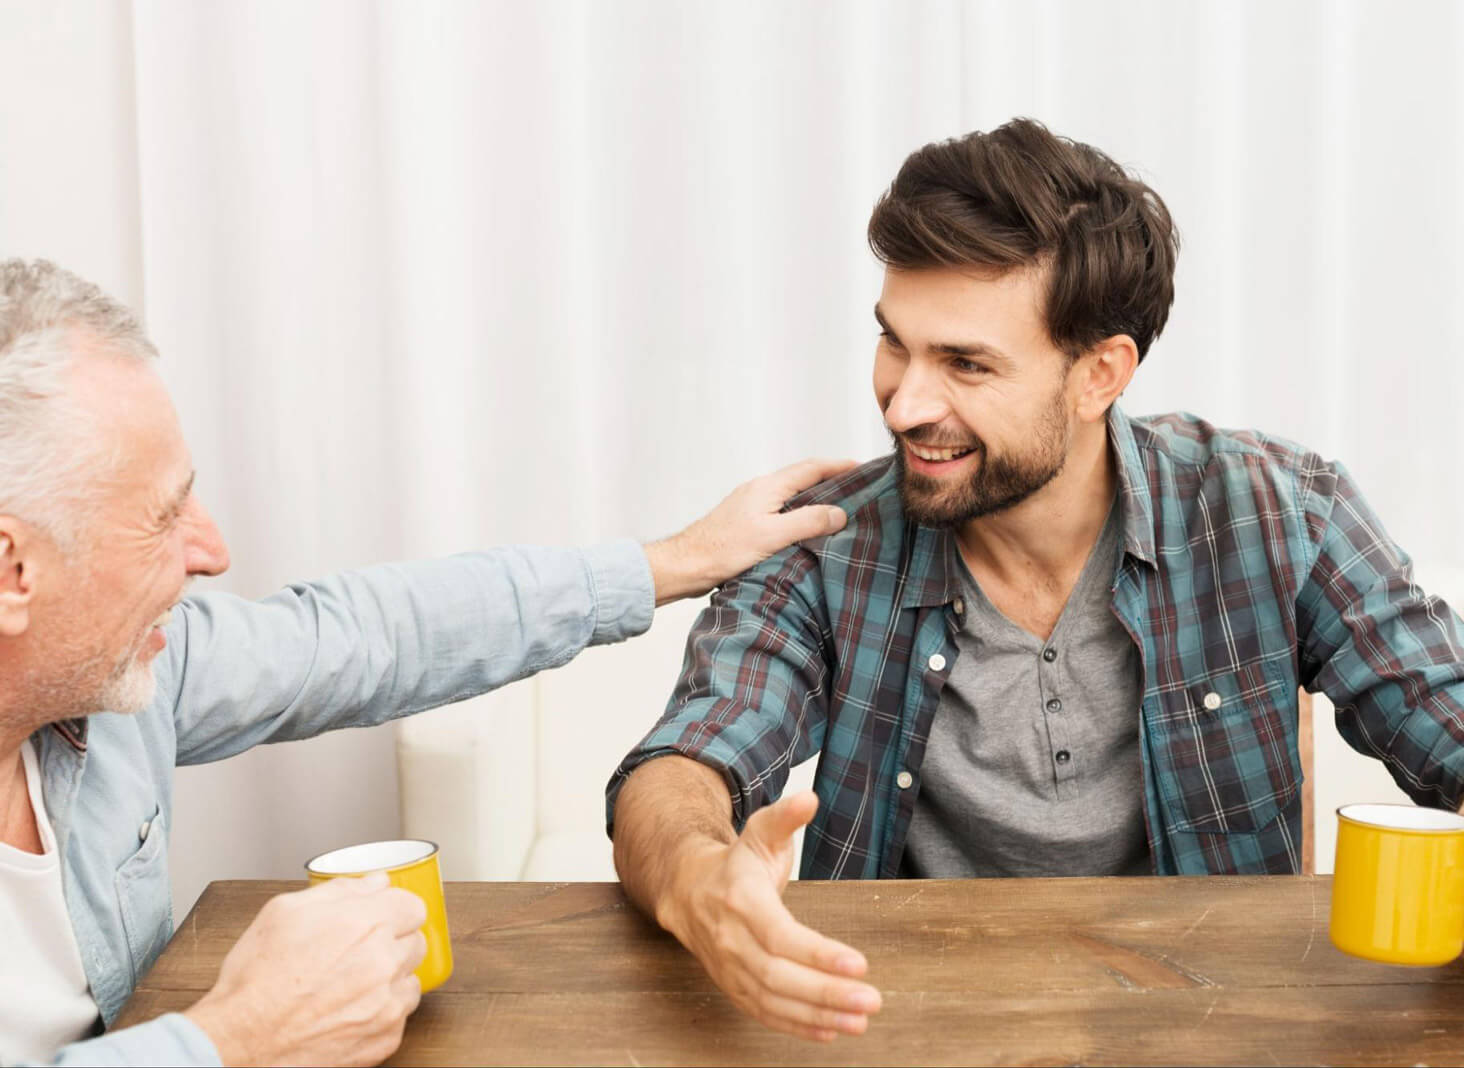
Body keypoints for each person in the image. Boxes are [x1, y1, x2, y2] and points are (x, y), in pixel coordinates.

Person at [607, 118, 1464, 1042]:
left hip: (1210, 1030)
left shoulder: (1278, 510)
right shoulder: (823, 541)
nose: (903, 401)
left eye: (966, 364)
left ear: (1099, 374)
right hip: (891, 1024)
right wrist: (698, 877)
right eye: (894, 340)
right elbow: (681, 765)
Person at [0, 257, 854, 1066]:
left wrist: (671, 562)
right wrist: (236, 1039)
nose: (213, 551)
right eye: (162, 517)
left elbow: (374, 635)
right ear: (14, 570)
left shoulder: (127, 678)